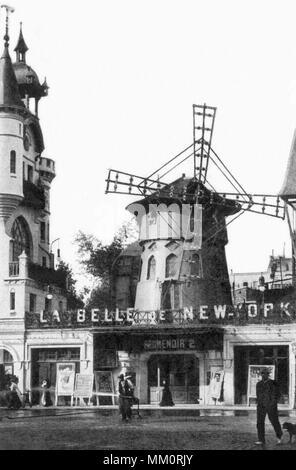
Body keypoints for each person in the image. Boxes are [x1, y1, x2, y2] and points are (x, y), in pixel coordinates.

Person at [255, 368, 283, 446]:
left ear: (268, 374)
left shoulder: (273, 383)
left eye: (266, 373)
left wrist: (273, 403)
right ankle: (261, 440)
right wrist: (259, 403)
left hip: (271, 406)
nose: (264, 375)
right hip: (261, 406)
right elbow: (258, 395)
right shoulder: (258, 384)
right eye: (262, 373)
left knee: (274, 421)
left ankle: (279, 437)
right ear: (261, 374)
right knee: (259, 423)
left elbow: (277, 395)